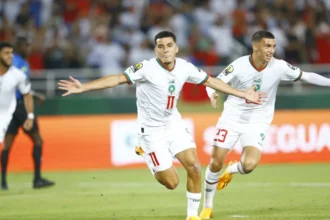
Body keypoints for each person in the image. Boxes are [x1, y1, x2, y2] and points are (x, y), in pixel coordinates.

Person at [58, 31, 265, 220]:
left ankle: (192, 216)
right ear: (156, 50)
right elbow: (117, 79)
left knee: (194, 166)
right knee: (171, 183)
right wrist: (84, 87)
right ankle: (146, 153)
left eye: (169, 45)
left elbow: (211, 81)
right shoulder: (146, 68)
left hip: (173, 123)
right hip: (151, 132)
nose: (165, 50)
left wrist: (243, 93)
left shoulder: (185, 67)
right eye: (161, 46)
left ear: (176, 48)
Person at [199, 30, 330, 219]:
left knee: (249, 165)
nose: (271, 50)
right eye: (267, 46)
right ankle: (207, 207)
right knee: (216, 160)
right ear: (255, 46)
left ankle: (232, 169)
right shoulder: (239, 65)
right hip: (232, 119)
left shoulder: (279, 66)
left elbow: (306, 76)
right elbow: (214, 82)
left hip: (258, 122)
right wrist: (212, 94)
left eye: (274, 46)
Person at [1, 37, 55, 190]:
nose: (28, 48)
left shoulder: (16, 62)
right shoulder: (17, 62)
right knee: (38, 140)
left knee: (8, 144)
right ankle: (37, 179)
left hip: (10, 107)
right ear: (19, 46)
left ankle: (3, 182)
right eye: (25, 45)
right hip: (20, 107)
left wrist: (34, 94)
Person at [0, 42, 33, 186]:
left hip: (10, 114)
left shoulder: (18, 74)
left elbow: (27, 94)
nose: (10, 56)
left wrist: (30, 116)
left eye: (11, 53)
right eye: (6, 53)